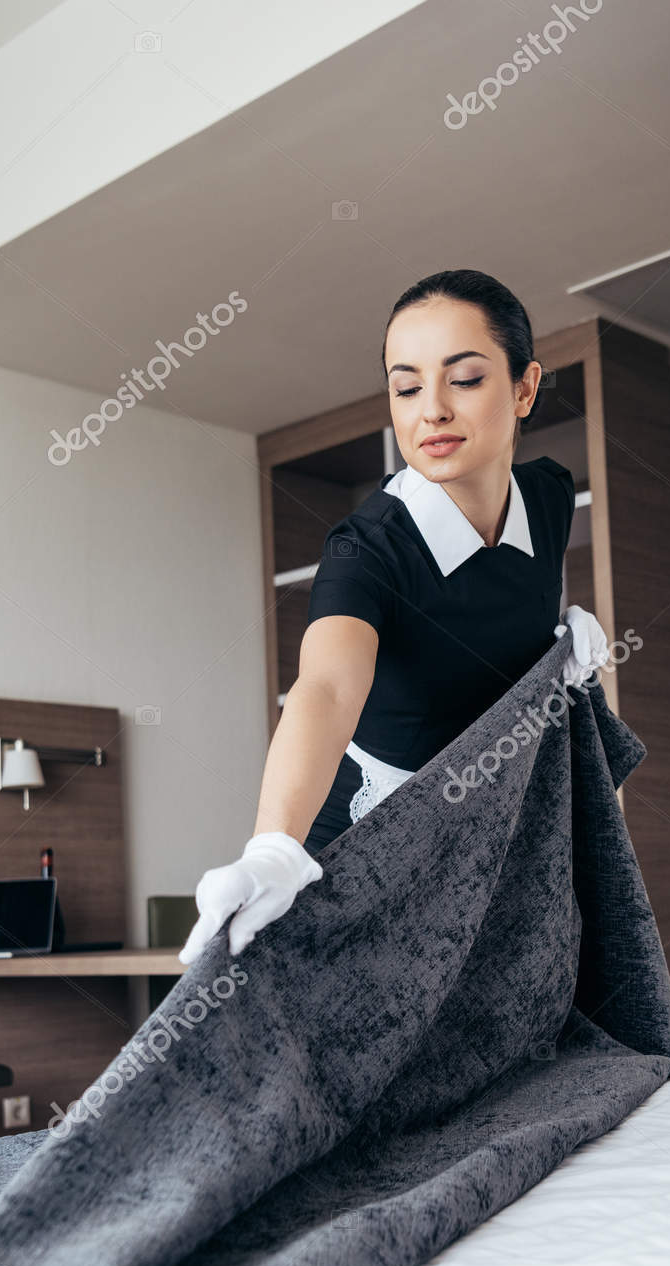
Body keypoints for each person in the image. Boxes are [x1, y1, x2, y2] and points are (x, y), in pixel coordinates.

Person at [179, 269, 608, 967]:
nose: (430, 410)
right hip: (356, 841)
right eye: (406, 387)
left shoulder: (551, 497)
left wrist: (558, 646)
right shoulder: (367, 549)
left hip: (483, 828)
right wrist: (273, 849)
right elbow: (326, 688)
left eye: (464, 379)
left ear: (526, 388)